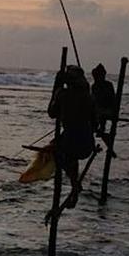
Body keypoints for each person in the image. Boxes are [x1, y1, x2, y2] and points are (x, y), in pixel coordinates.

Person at [48, 64, 96, 212]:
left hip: (71, 139)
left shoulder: (63, 94)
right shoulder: (88, 96)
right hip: (87, 140)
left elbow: (51, 113)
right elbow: (95, 122)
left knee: (58, 151)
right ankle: (75, 185)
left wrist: (56, 88)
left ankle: (74, 185)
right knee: (69, 154)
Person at [91, 64, 118, 139]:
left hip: (107, 109)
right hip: (99, 109)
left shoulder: (108, 85)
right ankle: (95, 127)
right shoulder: (94, 86)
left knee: (100, 114)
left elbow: (111, 99)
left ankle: (100, 128)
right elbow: (93, 99)